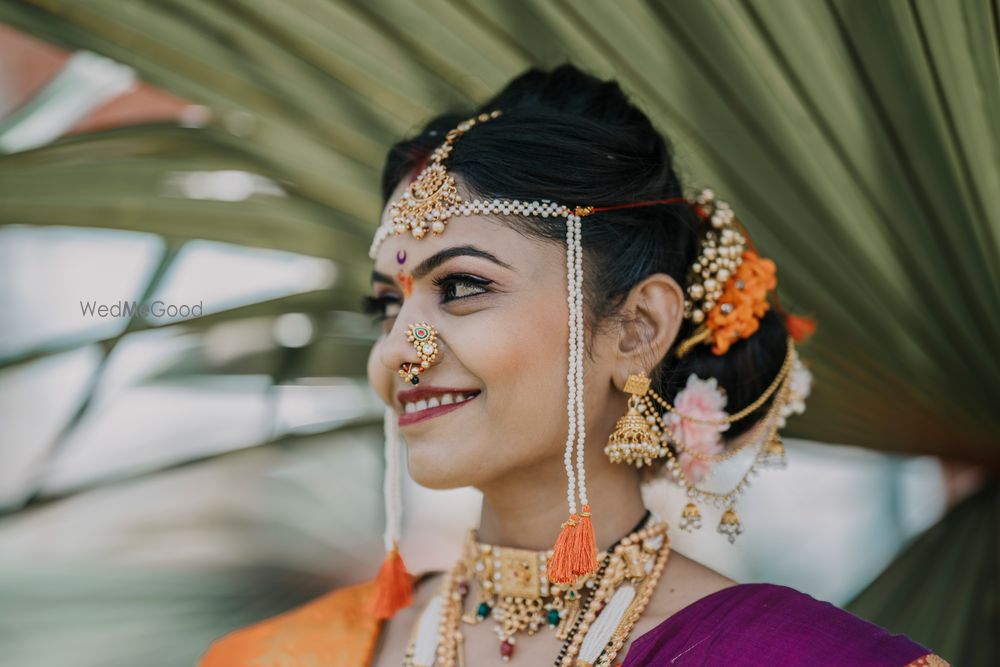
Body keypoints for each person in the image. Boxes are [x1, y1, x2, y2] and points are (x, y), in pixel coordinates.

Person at [198, 65, 947, 666]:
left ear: (637, 326)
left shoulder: (793, 656)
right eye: (386, 307)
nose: (399, 348)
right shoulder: (283, 654)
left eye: (461, 286)